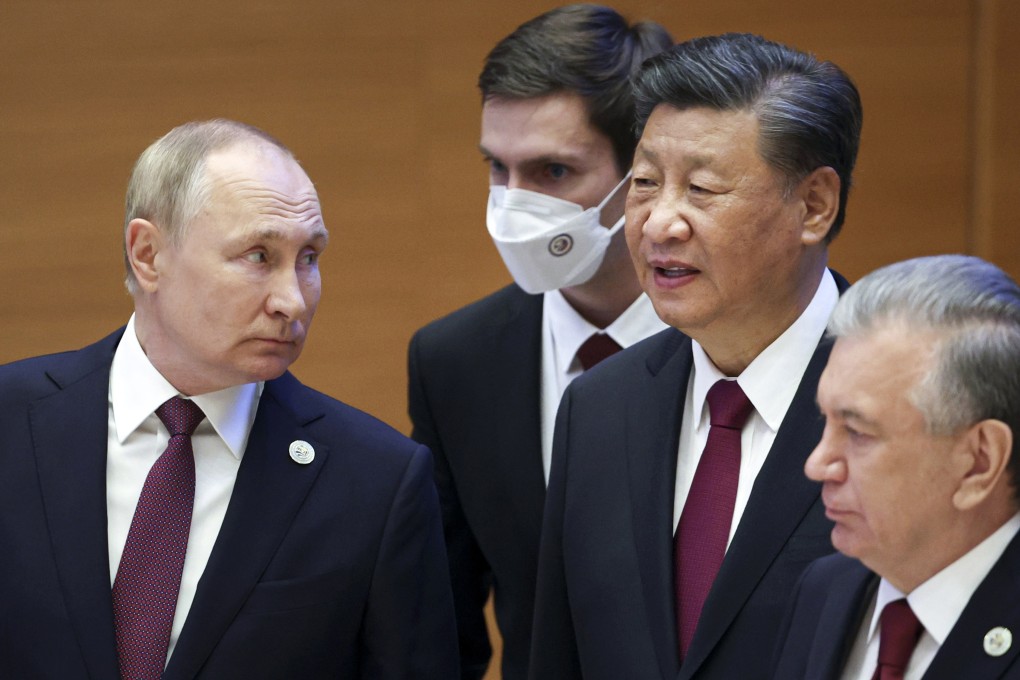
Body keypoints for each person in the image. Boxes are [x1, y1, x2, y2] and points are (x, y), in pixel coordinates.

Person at [0, 119, 458, 679]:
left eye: (309, 257)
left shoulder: (377, 482)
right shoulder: (10, 423)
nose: (293, 301)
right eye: (259, 256)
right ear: (148, 255)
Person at [530, 33, 863, 679]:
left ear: (814, 206)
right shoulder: (600, 407)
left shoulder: (907, 407)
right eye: (645, 183)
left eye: (703, 189)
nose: (659, 223)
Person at [406, 6, 673, 679]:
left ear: (642, 176)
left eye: (552, 172)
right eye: (498, 168)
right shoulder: (454, 362)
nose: (514, 203)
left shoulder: (736, 345)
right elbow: (443, 626)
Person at [772, 255, 1020, 680]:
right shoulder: (824, 590)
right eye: (825, 420)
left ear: (978, 462)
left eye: (857, 433)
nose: (817, 464)